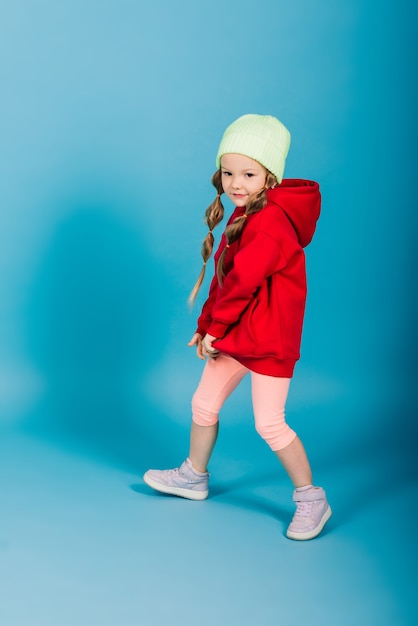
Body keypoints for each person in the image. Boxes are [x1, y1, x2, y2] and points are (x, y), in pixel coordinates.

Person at [143, 114, 331, 540]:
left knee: (270, 423)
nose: (236, 183)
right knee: (203, 404)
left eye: (248, 174)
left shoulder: (270, 223)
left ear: (270, 176)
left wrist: (217, 326)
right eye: (228, 172)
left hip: (267, 338)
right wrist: (206, 323)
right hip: (236, 332)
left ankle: (311, 498)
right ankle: (193, 476)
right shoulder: (245, 213)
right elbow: (225, 276)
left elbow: (245, 281)